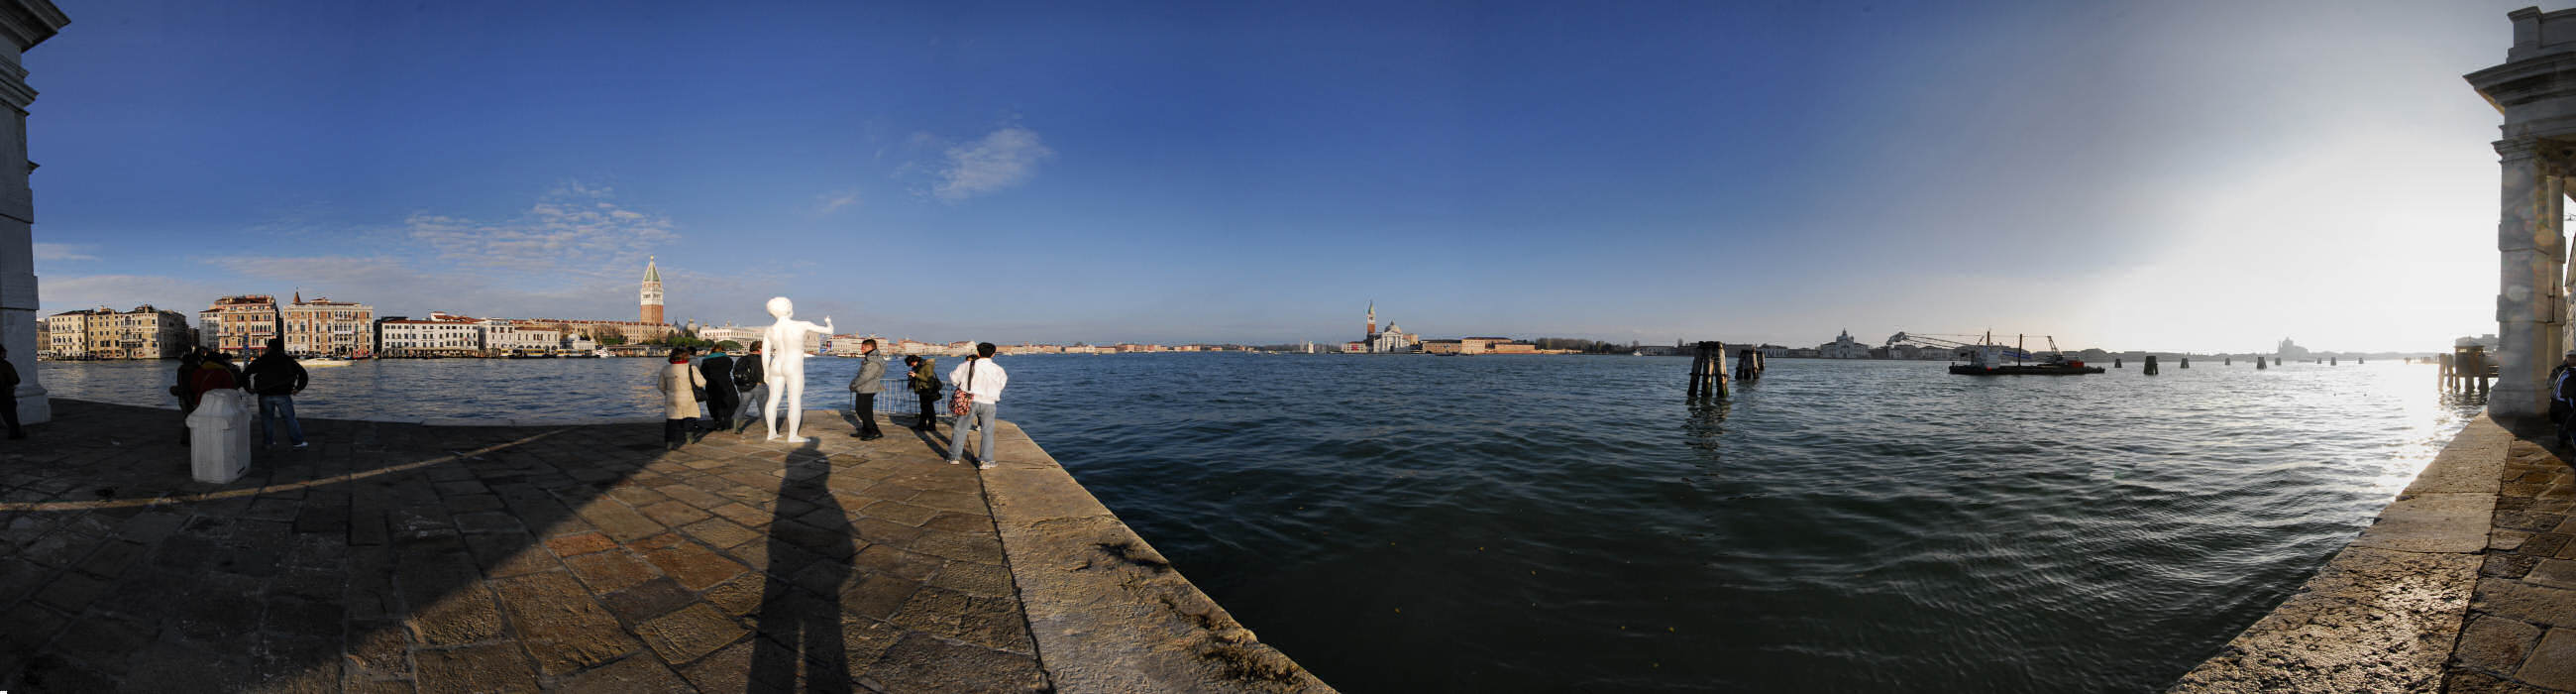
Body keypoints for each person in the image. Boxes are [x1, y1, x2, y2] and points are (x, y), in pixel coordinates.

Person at [754, 296, 832, 442]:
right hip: (792, 365)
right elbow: (829, 331)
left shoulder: (770, 330)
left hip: (775, 366)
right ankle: (793, 435)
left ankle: (771, 433)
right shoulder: (802, 324)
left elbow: (765, 355)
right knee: (794, 400)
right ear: (788, 308)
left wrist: (766, 372)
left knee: (773, 400)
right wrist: (828, 322)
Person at [944, 342, 1008, 469]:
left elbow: (954, 379)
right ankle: (986, 461)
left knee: (960, 429)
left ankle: (954, 457)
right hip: (989, 402)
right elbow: (1002, 384)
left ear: (978, 352)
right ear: (993, 354)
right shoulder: (998, 369)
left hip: (969, 400)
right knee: (987, 432)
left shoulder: (966, 365)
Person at [242, 338, 310, 449]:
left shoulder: (262, 359)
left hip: (264, 393)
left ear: (269, 348)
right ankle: (297, 442)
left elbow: (245, 374)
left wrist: (248, 388)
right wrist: (298, 388)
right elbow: (303, 374)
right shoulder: (287, 359)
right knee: (289, 419)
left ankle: (268, 443)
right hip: (283, 394)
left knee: (267, 419)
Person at [657, 349, 706, 450]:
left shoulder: (665, 369)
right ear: (686, 357)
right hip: (688, 397)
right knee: (689, 417)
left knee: (671, 421)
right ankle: (689, 438)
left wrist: (668, 393)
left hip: (672, 397)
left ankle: (669, 443)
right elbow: (701, 382)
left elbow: (660, 386)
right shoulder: (691, 368)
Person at [845, 339, 886, 439]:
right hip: (865, 388)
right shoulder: (871, 358)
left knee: (863, 411)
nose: (861, 349)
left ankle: (874, 431)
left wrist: (853, 384)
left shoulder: (873, 360)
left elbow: (865, 376)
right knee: (864, 411)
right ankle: (866, 430)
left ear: (869, 347)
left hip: (867, 388)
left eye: (863, 347)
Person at [699, 344, 740, 434]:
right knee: (729, 401)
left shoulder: (706, 361)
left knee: (713, 403)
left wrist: (710, 377)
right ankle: (727, 421)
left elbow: (703, 373)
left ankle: (717, 422)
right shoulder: (728, 360)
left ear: (712, 351)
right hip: (726, 383)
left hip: (712, 384)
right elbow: (729, 369)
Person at [173, 347, 204, 445]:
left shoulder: (181, 369)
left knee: (187, 417)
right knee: (194, 417)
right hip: (191, 396)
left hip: (183, 396)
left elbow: (181, 383)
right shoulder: (195, 369)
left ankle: (185, 439)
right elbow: (193, 385)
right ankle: (192, 439)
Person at [734, 341, 767, 433]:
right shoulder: (762, 359)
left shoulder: (742, 359)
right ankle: (767, 427)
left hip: (745, 386)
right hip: (760, 386)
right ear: (759, 349)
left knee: (742, 407)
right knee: (764, 408)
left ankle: (735, 428)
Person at [906, 355, 941, 435]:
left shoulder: (927, 366)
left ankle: (931, 425)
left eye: (911, 364)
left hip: (928, 390)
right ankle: (922, 425)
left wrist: (916, 375)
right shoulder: (919, 366)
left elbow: (929, 379)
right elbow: (921, 377)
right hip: (922, 390)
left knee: (929, 409)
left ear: (915, 361)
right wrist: (912, 375)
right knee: (924, 408)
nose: (911, 366)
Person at [2552, 350, 2576, 448]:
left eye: (2574, 357)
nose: (2572, 359)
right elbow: (2551, 383)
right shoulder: (2559, 370)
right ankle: (2562, 440)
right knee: (2563, 422)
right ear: (2566, 358)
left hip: (2572, 402)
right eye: (2570, 357)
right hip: (2563, 402)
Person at [0, 346, 22, 440]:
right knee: (11, 415)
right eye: (5, 352)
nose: (6, 353)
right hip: (6, 394)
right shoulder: (6, 365)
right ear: (1, 353)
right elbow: (15, 379)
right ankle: (15, 433)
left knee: (6, 415)